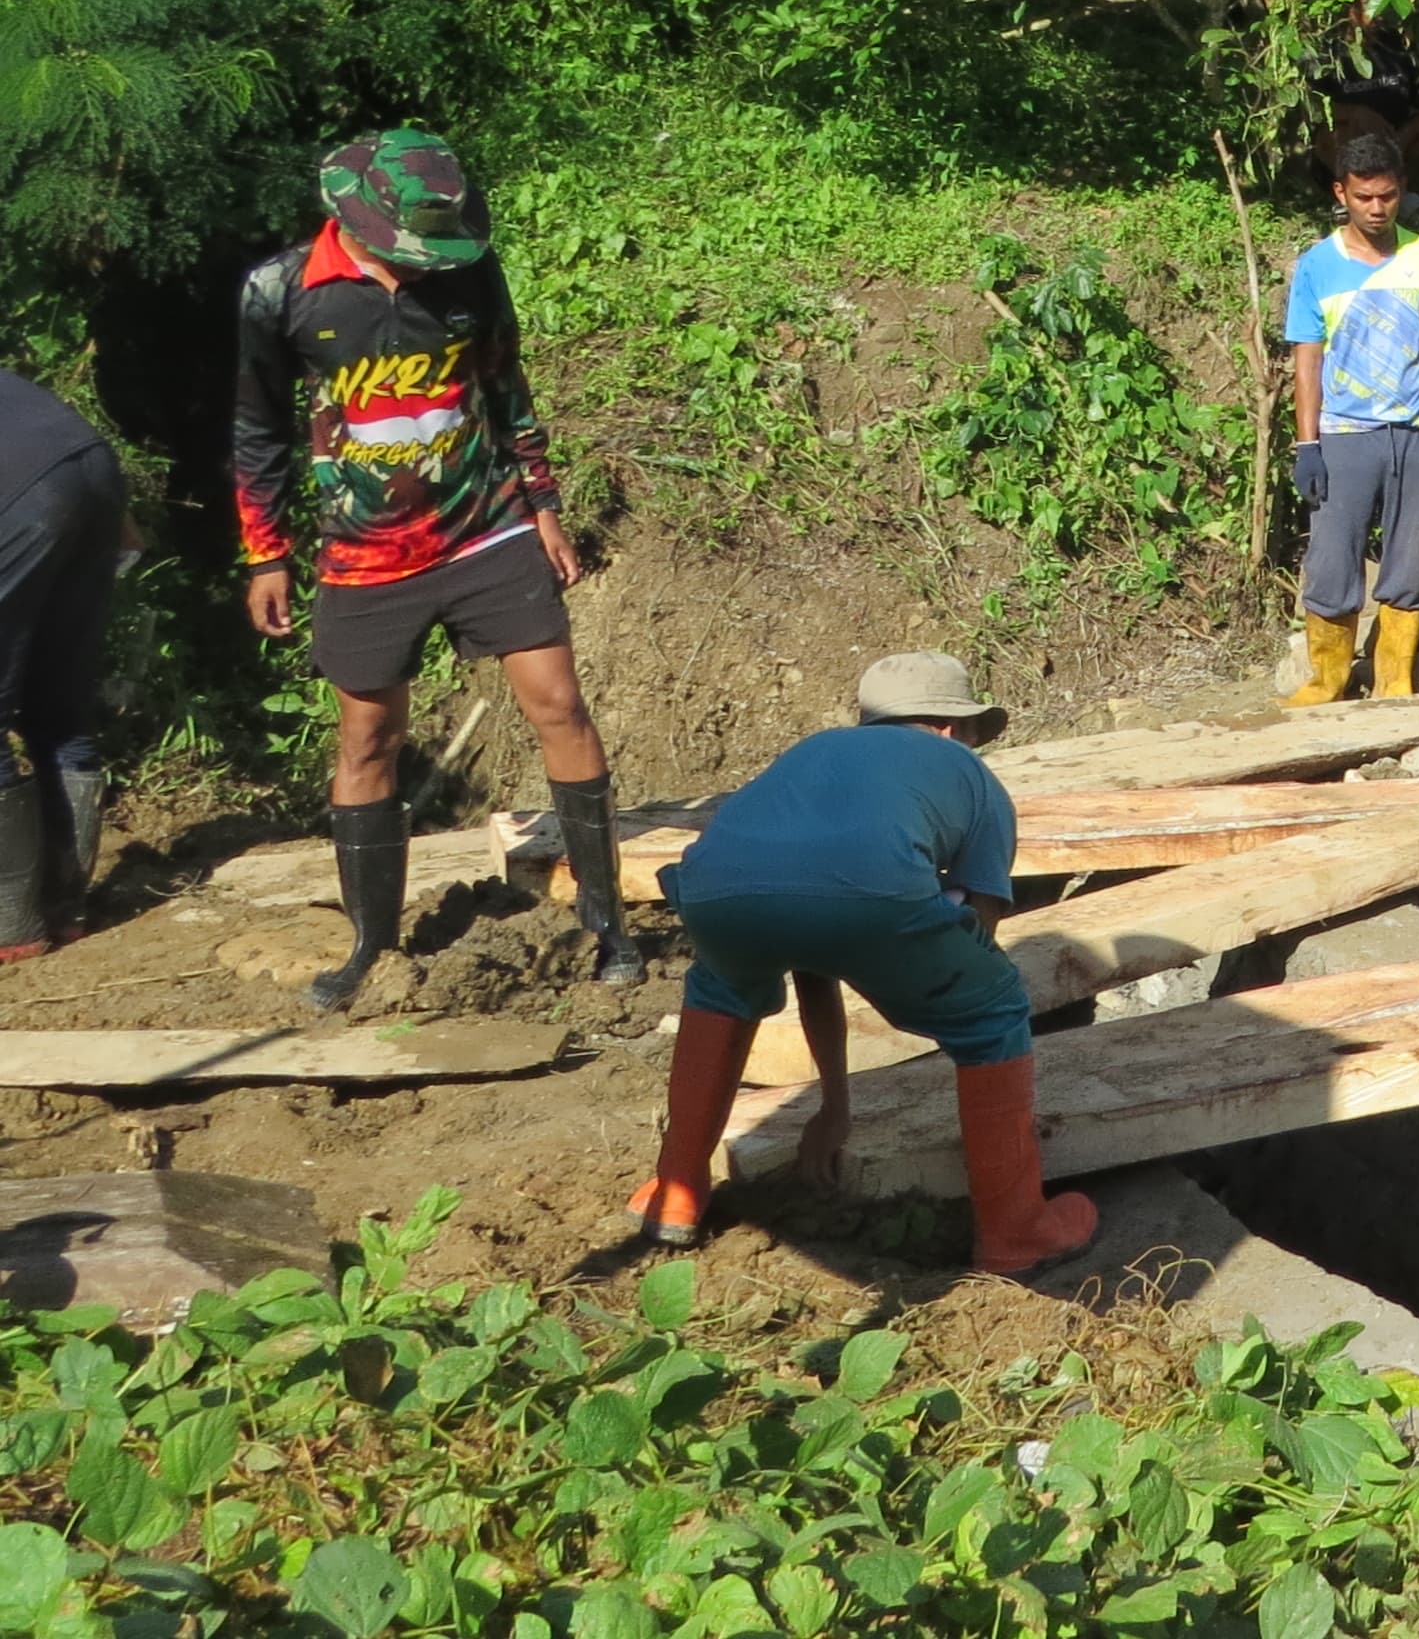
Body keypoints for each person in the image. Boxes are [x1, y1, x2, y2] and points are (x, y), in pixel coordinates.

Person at [232, 130, 635, 1007]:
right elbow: (257, 431)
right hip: (366, 553)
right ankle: (372, 947)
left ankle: (608, 927)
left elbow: (506, 389)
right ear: (358, 223)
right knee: (368, 738)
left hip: (486, 527)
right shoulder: (279, 294)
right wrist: (267, 555)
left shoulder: (471, 274)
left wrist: (545, 505)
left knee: (560, 705)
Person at [627, 652, 1100, 1278]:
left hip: (714, 888)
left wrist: (837, 1106)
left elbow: (813, 951)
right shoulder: (972, 777)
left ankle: (677, 1191)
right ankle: (1015, 1232)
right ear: (953, 727)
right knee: (994, 1013)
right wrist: (918, 973)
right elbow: (974, 939)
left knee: (722, 993)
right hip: (869, 893)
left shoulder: (814, 754)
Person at [1283, 132, 1419, 706]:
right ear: (1342, 192)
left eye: (1387, 196)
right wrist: (1305, 444)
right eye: (1364, 197)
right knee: (1332, 558)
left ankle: (1394, 680)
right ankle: (1328, 680)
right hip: (1342, 434)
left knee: (1410, 561)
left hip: (1414, 434)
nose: (1376, 208)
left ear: (1401, 191)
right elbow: (1307, 361)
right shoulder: (1317, 265)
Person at [0, 369, 123, 960]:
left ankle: (11, 929)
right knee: (58, 708)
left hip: (20, 487)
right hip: (91, 468)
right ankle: (65, 908)